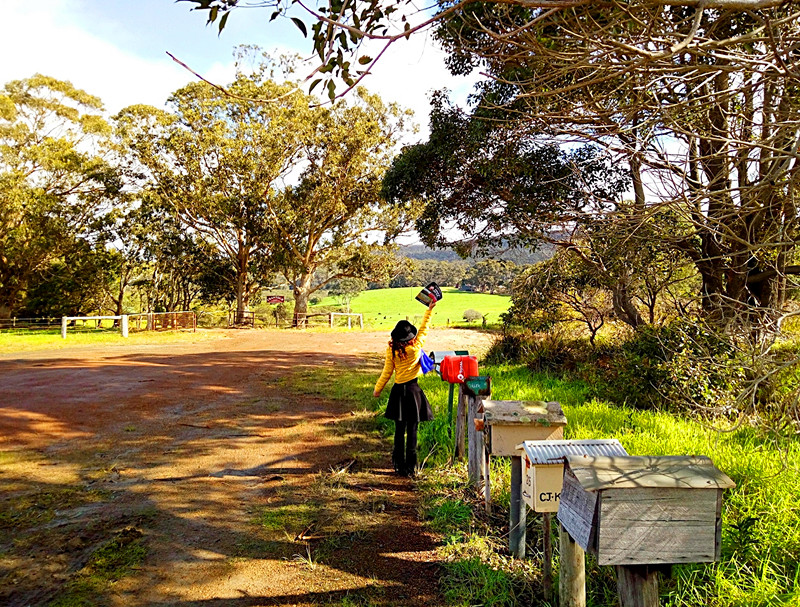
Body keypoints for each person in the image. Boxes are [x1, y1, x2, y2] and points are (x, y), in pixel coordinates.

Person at [373, 298, 437, 476]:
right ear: (410, 338)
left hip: (398, 393)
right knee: (413, 430)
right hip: (414, 392)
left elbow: (387, 373)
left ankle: (398, 465)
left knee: (399, 431)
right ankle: (411, 467)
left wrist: (377, 389)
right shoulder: (416, 348)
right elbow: (424, 329)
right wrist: (429, 310)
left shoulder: (391, 351)